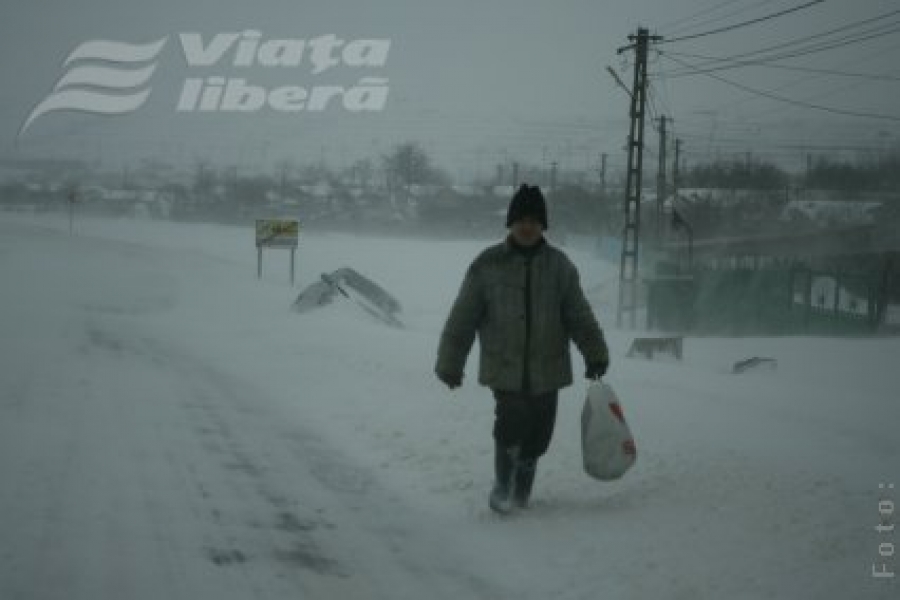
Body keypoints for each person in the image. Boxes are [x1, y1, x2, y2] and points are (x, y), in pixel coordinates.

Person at [435, 184, 610, 514]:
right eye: (520, 220)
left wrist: (595, 353)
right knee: (512, 420)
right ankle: (503, 487)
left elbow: (579, 316)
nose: (527, 226)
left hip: (549, 368)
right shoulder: (486, 265)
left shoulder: (560, 267)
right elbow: (462, 319)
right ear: (510, 224)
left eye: (533, 220)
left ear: (543, 224)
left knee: (539, 435)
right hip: (505, 366)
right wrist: (450, 363)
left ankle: (522, 491)